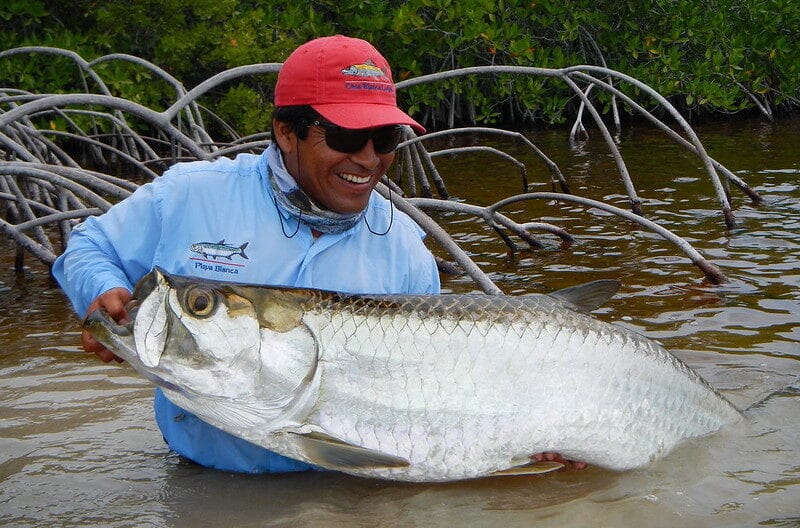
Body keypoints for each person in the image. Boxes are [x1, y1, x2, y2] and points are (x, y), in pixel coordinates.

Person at [52, 35, 441, 473]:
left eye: (385, 137)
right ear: (285, 132)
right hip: (203, 487)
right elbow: (90, 246)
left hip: (344, 495)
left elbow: (430, 392)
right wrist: (104, 289)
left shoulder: (407, 251)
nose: (369, 159)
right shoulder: (191, 195)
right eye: (347, 134)